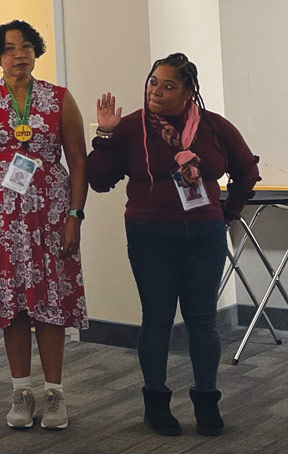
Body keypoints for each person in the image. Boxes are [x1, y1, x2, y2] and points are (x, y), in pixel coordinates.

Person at [87, 53, 261, 437]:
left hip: (204, 234)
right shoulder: (131, 127)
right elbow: (99, 181)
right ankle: (157, 404)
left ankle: (206, 402)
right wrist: (104, 135)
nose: (157, 91)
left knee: (202, 320)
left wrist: (228, 211)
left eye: (168, 86)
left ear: (188, 93)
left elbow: (246, 168)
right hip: (150, 234)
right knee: (158, 319)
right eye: (153, 82)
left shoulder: (213, 127)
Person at [0, 20, 88, 430]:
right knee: (14, 307)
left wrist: (75, 215)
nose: (18, 54)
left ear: (36, 52)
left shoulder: (58, 98)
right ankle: (21, 392)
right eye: (8, 49)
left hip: (50, 215)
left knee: (51, 304)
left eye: (26, 46)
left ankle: (55, 394)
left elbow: (77, 159)